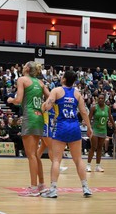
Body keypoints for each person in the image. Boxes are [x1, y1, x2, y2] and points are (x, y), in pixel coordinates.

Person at [41, 70, 93, 198]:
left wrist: (42, 107)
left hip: (61, 127)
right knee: (78, 159)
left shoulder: (56, 91)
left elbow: (47, 106)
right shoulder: (77, 94)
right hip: (75, 127)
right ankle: (86, 187)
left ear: (64, 79)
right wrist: (89, 127)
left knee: (57, 160)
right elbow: (84, 112)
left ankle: (53, 189)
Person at [7, 61, 49, 196]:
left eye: (24, 65)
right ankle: (42, 185)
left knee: (31, 155)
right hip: (39, 117)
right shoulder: (40, 83)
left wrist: (10, 100)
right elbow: (50, 98)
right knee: (36, 155)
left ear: (26, 68)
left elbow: (18, 100)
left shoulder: (22, 80)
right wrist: (43, 108)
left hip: (29, 117)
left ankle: (33, 188)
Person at [86, 93, 115, 172]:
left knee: (100, 148)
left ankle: (98, 166)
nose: (101, 100)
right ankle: (88, 165)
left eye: (102, 98)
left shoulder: (107, 108)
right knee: (93, 147)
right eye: (99, 98)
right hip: (95, 130)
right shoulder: (94, 108)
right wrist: (89, 129)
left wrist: (115, 127)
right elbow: (88, 119)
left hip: (103, 130)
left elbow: (110, 118)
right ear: (97, 99)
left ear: (104, 99)